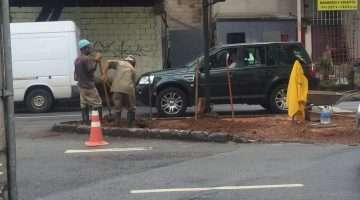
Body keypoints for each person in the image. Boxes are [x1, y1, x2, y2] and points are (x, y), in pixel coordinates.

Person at [74, 39, 103, 124]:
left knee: (84, 104)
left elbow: (75, 76)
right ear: (85, 48)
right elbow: (91, 69)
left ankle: (86, 122)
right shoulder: (86, 59)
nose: (90, 49)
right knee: (97, 104)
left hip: (81, 86)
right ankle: (98, 123)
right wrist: (96, 61)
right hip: (89, 86)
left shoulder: (77, 60)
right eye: (89, 47)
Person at [103, 55, 137, 127]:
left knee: (117, 107)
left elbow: (108, 62)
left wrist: (104, 75)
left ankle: (117, 124)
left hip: (116, 89)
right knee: (131, 108)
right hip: (128, 89)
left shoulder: (120, 63)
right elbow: (133, 84)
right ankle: (130, 125)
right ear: (133, 62)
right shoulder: (133, 69)